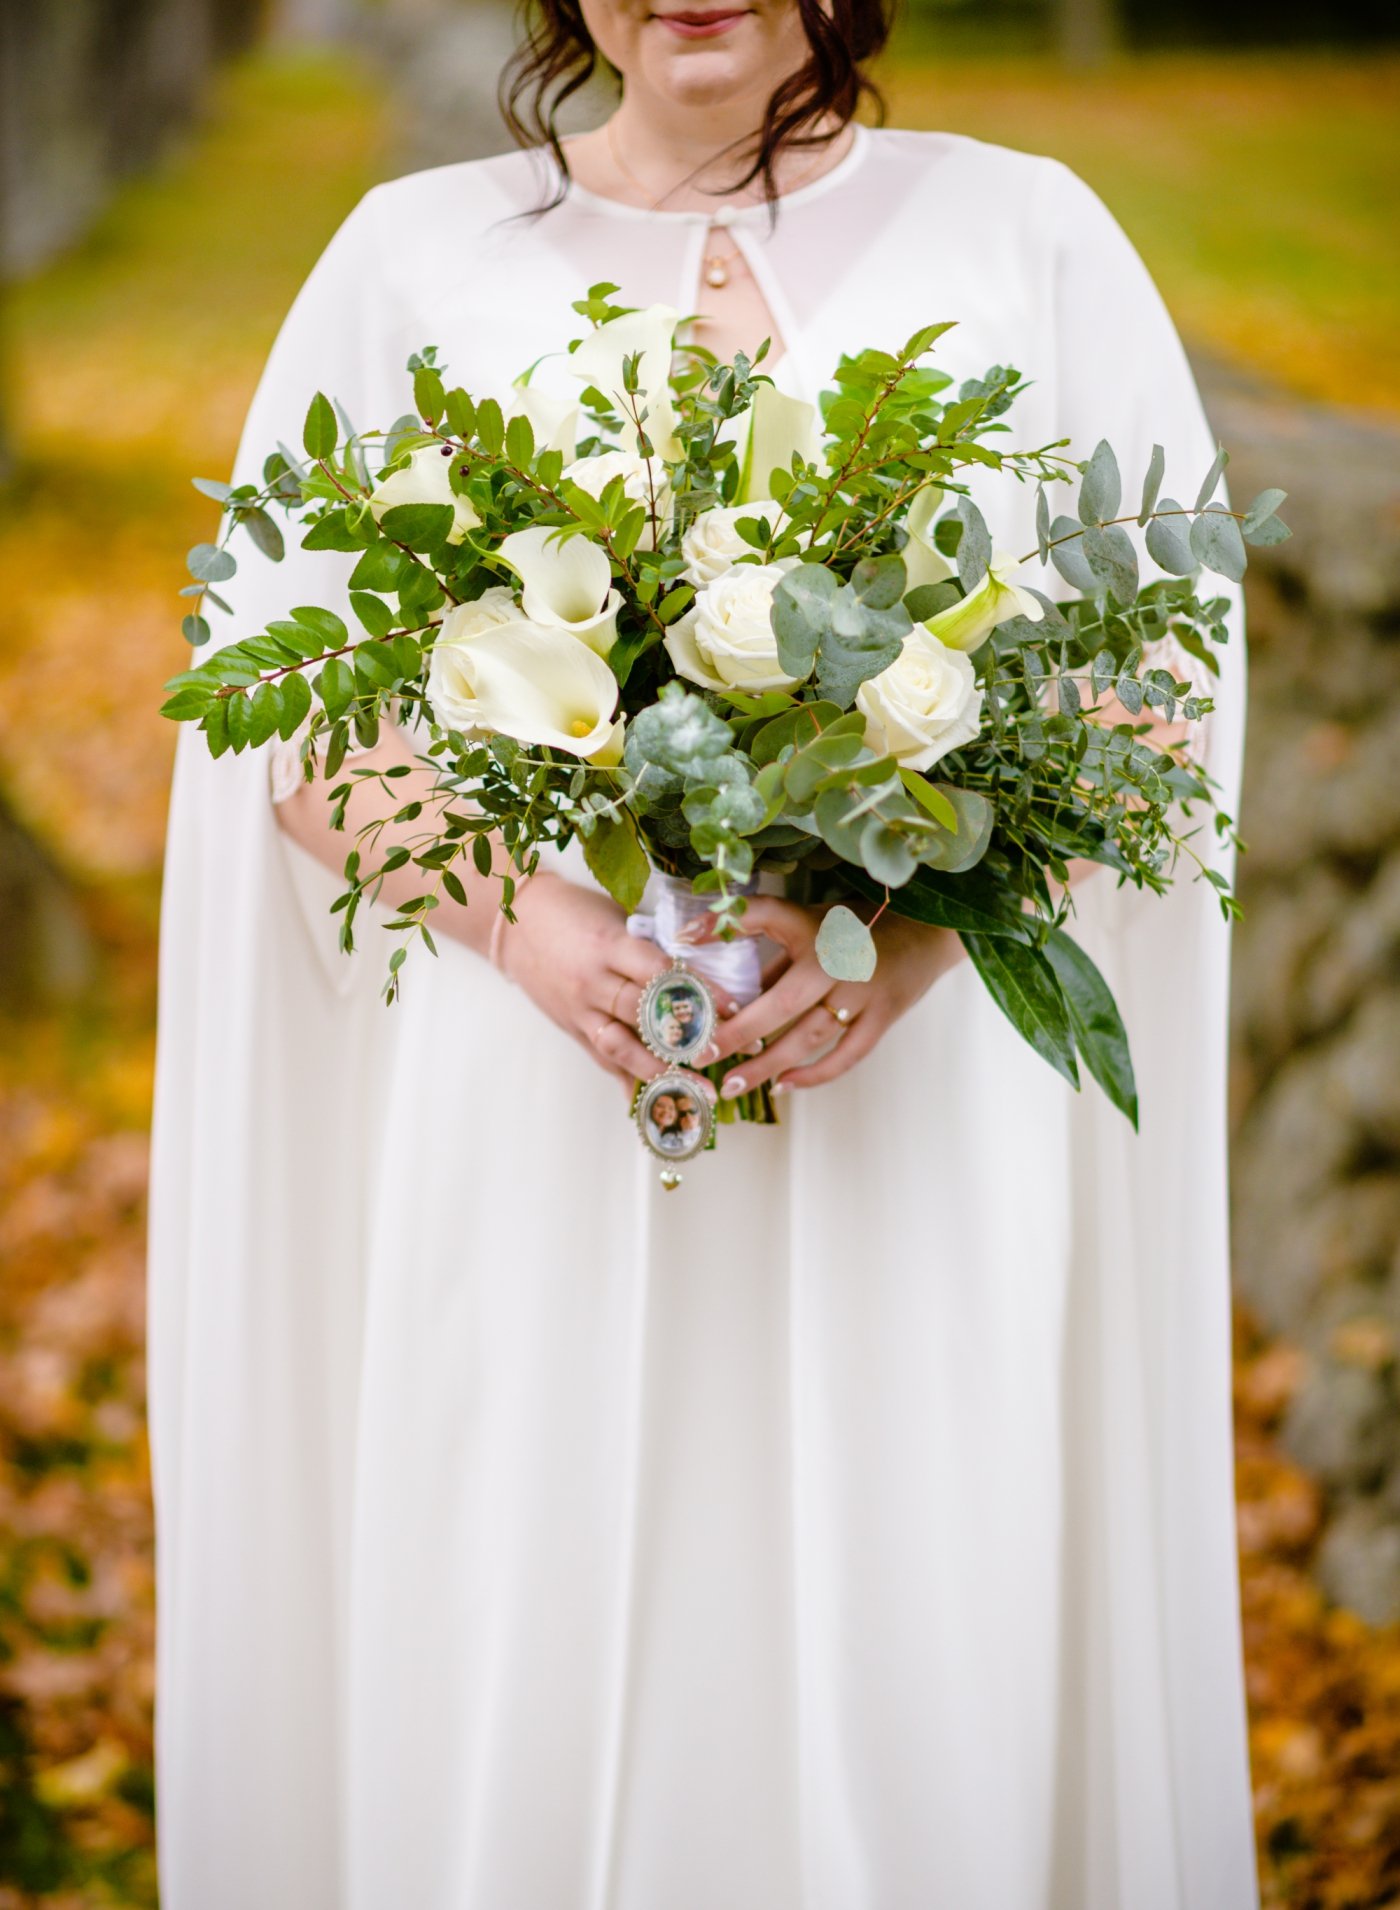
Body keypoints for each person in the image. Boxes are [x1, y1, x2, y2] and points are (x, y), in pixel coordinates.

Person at [146, 0, 1258, 1902]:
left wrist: (902, 944)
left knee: (920, 1621)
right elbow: (280, 718)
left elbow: (1158, 675)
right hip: (529, 1101)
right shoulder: (410, 262)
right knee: (532, 1592)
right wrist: (532, 924)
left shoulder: (1035, 239)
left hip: (909, 1110)